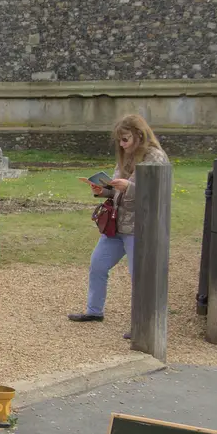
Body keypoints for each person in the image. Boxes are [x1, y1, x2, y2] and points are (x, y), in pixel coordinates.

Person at [68, 114, 169, 331]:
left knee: (139, 277)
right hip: (116, 225)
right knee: (97, 264)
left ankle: (142, 325)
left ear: (139, 136)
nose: (122, 145)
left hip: (139, 228)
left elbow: (158, 194)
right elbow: (116, 191)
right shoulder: (125, 157)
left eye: (125, 139)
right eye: (119, 141)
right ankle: (94, 311)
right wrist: (102, 190)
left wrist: (129, 188)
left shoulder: (156, 158)